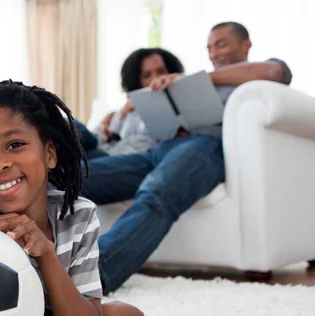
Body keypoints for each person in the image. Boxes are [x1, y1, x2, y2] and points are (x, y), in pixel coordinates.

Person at [81, 21, 293, 294]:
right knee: (77, 176)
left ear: (246, 44)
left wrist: (197, 78)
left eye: (221, 44)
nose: (214, 54)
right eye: (209, 48)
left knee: (155, 194)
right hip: (160, 150)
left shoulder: (257, 76)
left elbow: (274, 72)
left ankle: (91, 277)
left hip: (205, 149)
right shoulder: (196, 85)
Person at [0, 80, 144, 316]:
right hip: (58, 302)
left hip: (67, 278)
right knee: (111, 314)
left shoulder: (78, 214)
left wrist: (45, 252)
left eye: (14, 144)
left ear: (49, 155)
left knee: (128, 313)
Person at [76, 47, 185, 159]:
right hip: (101, 148)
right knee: (68, 125)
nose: (156, 78)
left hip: (117, 157)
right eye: (147, 75)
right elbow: (101, 135)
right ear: (137, 80)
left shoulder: (179, 108)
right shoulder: (126, 109)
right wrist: (111, 120)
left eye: (161, 71)